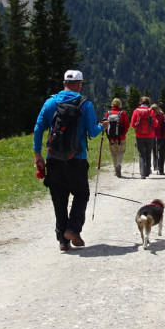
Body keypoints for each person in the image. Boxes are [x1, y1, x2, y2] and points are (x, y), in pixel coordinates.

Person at [33, 70, 104, 251]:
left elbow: (38, 129)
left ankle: (62, 240)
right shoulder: (84, 104)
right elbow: (93, 132)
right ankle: (72, 230)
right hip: (77, 160)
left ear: (64, 83)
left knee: (59, 199)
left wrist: (38, 155)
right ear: (79, 84)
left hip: (54, 160)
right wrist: (103, 125)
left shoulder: (51, 102)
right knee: (81, 195)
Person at [131, 96, 157, 179]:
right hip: (150, 135)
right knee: (148, 153)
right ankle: (147, 171)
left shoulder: (136, 111)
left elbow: (132, 124)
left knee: (141, 154)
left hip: (139, 135)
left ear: (140, 102)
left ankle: (142, 173)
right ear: (148, 103)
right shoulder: (151, 111)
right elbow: (155, 124)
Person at [103, 97, 130, 178]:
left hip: (111, 138)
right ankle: (119, 164)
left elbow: (105, 124)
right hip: (121, 137)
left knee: (114, 154)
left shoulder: (108, 113)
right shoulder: (123, 113)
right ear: (120, 104)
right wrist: (123, 134)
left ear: (112, 104)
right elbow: (127, 125)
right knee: (121, 152)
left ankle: (116, 170)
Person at [152, 103, 165, 175]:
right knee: (162, 153)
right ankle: (161, 169)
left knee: (154, 151)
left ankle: (155, 165)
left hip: (152, 137)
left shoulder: (150, 116)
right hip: (162, 136)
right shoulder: (163, 116)